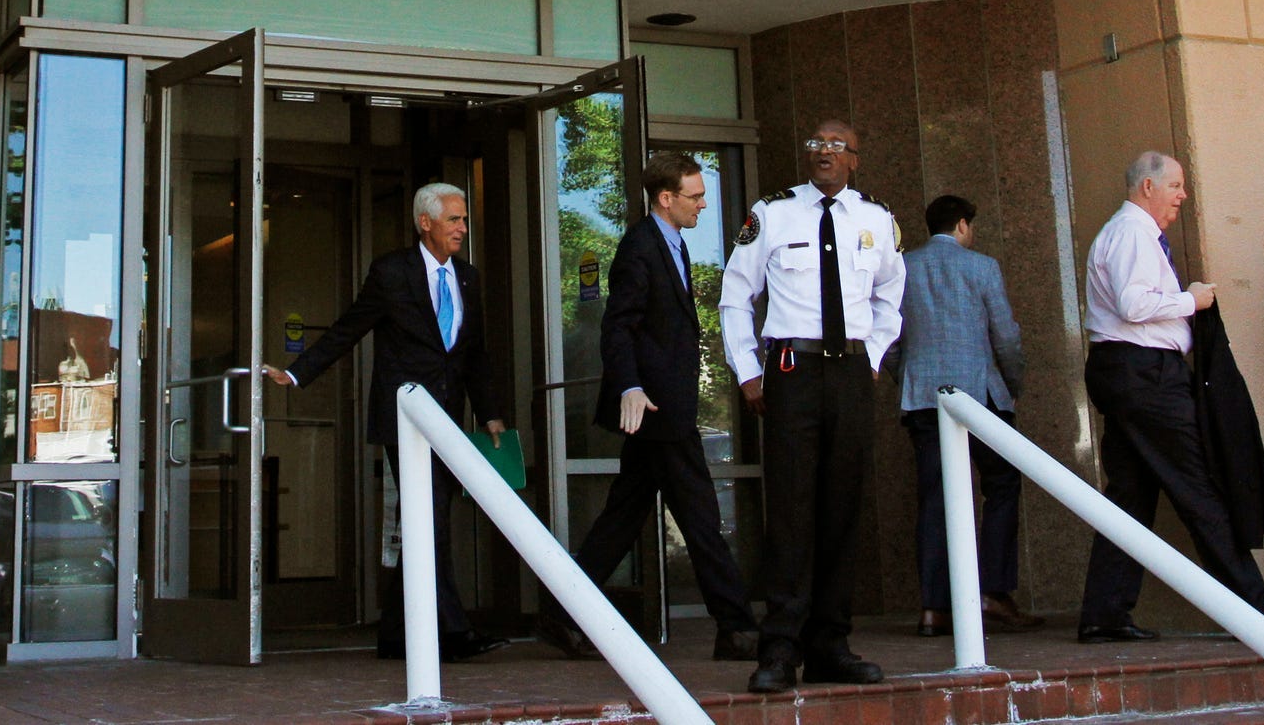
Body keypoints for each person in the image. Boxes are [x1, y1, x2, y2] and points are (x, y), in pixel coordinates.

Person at [1076, 151, 1264, 642]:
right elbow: (1134, 304)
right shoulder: (1132, 234)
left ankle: (1105, 612)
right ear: (1147, 187)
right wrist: (1193, 300)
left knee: (1130, 496)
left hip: (1130, 373)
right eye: (1176, 185)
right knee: (1198, 484)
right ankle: (1252, 608)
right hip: (1144, 374)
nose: (1182, 195)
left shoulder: (1130, 234)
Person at [266, 180, 505, 660]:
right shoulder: (392, 272)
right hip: (406, 419)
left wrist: (491, 413)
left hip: (450, 419)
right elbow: (350, 327)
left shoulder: (468, 277)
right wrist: (296, 373)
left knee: (425, 518)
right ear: (426, 222)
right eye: (454, 219)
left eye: (463, 220)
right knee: (431, 517)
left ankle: (397, 635)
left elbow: (472, 354)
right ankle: (454, 634)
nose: (462, 228)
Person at [547, 152, 759, 660]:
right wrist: (629, 387)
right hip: (658, 410)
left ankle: (560, 614)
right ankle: (735, 626)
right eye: (696, 195)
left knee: (623, 515)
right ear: (666, 198)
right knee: (702, 514)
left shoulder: (673, 243)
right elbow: (618, 324)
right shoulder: (640, 247)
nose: (704, 205)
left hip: (665, 406)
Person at [720, 119, 904, 694]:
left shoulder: (876, 220)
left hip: (849, 371)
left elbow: (890, 295)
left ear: (855, 159)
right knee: (793, 510)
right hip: (790, 371)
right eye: (815, 145)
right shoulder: (772, 212)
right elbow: (734, 295)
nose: (823, 153)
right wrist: (749, 372)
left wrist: (871, 356)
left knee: (841, 509)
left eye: (835, 147)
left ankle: (831, 644)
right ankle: (780, 648)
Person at [896, 194, 1041, 637]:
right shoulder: (982, 267)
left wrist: (907, 373)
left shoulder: (903, 267)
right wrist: (1011, 384)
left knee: (935, 497)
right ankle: (994, 592)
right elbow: (1007, 336)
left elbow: (884, 335)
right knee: (1001, 485)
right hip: (981, 394)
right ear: (962, 225)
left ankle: (935, 608)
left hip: (923, 397)